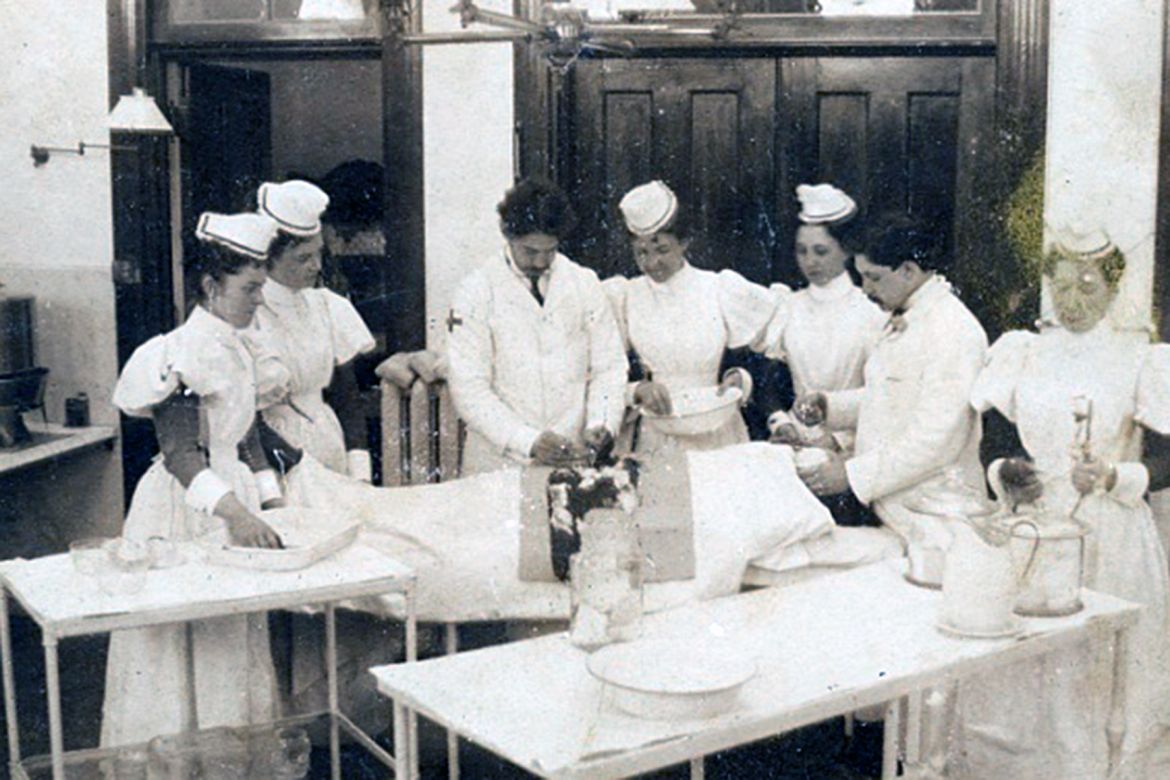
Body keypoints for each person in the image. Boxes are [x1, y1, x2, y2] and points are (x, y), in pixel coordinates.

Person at [953, 227, 1170, 778]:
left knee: (1099, 664)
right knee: (1032, 657)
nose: (1074, 303)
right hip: (1036, 526)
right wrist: (1006, 472)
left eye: (1089, 288)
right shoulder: (1023, 350)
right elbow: (995, 439)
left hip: (1111, 532)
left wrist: (1116, 473)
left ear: (1112, 290)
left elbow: (1167, 461)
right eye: (1064, 288)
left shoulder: (1140, 359)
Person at [102, 212, 284, 747]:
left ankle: (228, 759)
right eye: (250, 288)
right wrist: (240, 515)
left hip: (234, 499)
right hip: (189, 507)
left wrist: (273, 502)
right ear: (211, 286)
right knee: (182, 645)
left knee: (230, 641)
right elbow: (181, 455)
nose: (258, 300)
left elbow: (246, 434)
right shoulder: (178, 354)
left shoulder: (239, 344)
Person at [794, 212, 988, 542]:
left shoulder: (953, 330)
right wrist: (831, 406)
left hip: (936, 517)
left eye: (873, 278)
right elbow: (892, 396)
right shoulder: (908, 313)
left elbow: (936, 440)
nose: (865, 289)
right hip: (894, 506)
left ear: (909, 270)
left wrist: (852, 475)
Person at [446, 178, 628, 474]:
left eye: (551, 250)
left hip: (573, 455)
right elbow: (469, 388)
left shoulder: (583, 283)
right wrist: (527, 440)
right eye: (530, 251)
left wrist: (602, 423)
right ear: (507, 233)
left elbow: (608, 366)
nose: (542, 261)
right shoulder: (476, 291)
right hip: (500, 461)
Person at [601, 180, 778, 453]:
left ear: (684, 241)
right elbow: (603, 372)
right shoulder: (624, 296)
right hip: (657, 434)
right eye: (641, 252)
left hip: (717, 428)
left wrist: (741, 380)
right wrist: (636, 390)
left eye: (662, 250)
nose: (652, 263)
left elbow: (765, 357)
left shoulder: (718, 288)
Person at [245, 179, 376, 481]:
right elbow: (239, 419)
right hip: (273, 457)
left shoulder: (329, 308)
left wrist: (360, 472)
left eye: (319, 254)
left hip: (327, 443)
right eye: (303, 258)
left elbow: (347, 397)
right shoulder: (246, 314)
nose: (316, 266)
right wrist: (299, 468)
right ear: (267, 258)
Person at [763, 183, 886, 442]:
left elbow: (884, 395)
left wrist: (839, 441)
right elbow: (771, 379)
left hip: (854, 442)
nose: (810, 262)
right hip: (796, 437)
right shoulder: (788, 306)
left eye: (821, 251)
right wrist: (780, 422)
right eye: (802, 251)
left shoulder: (870, 312)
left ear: (846, 250)